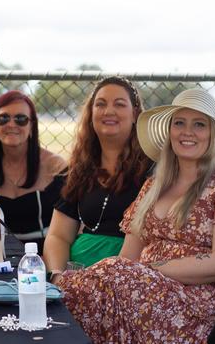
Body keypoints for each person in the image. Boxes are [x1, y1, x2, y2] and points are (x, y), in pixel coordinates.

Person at [58, 88, 215, 343]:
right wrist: (131, 276)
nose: (188, 132)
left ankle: (47, 295)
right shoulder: (154, 185)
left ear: (212, 134)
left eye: (199, 124)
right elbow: (127, 257)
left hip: (196, 306)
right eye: (179, 123)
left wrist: (148, 272)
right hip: (142, 291)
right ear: (170, 131)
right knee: (91, 293)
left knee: (84, 288)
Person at [43, 76, 152, 274]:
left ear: (135, 113)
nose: (109, 111)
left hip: (127, 275)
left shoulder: (153, 168)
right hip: (77, 273)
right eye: (100, 104)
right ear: (91, 113)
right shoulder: (80, 169)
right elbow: (58, 236)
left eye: (119, 104)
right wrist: (58, 277)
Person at [0, 90, 67, 252]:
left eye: (21, 119)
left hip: (44, 253)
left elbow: (71, 224)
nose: (11, 124)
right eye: (3, 118)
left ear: (32, 125)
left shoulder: (54, 165)